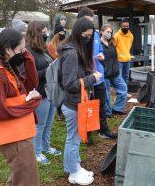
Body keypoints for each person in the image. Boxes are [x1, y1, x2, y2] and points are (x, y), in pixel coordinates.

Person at [0, 28, 41, 185]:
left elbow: (31, 85)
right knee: (26, 178)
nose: (23, 52)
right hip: (12, 134)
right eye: (20, 49)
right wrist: (28, 105)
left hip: (17, 129)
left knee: (21, 175)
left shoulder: (8, 65)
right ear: (7, 49)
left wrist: (28, 59)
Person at [58, 17, 101, 185]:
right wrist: (92, 78)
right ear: (78, 32)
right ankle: (72, 172)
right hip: (72, 104)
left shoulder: (75, 50)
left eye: (91, 35)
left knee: (76, 138)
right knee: (73, 139)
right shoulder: (70, 53)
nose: (89, 38)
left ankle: (76, 166)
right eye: (86, 35)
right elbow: (70, 84)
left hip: (77, 103)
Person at [77, 6, 117, 141]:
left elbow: (100, 49)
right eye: (88, 20)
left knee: (101, 103)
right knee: (87, 104)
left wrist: (101, 54)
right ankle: (87, 132)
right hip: (87, 77)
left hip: (99, 75)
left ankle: (103, 130)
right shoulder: (78, 38)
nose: (90, 24)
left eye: (92, 21)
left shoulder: (94, 35)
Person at [26, 21, 61, 165]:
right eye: (44, 32)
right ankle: (36, 152)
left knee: (49, 123)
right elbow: (29, 76)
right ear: (36, 33)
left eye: (47, 31)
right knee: (39, 125)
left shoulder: (43, 49)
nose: (46, 35)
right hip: (40, 93)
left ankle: (46, 146)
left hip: (51, 91)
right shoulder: (28, 52)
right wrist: (49, 69)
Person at [100, 24, 128, 118]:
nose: (109, 34)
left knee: (123, 89)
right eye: (107, 32)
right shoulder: (99, 45)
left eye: (111, 32)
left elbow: (115, 57)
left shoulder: (112, 43)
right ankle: (108, 112)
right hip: (105, 74)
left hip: (115, 73)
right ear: (102, 32)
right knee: (106, 95)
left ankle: (117, 109)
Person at [113, 18, 134, 97]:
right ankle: (119, 92)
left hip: (127, 59)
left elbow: (129, 46)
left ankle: (125, 92)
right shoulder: (116, 36)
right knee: (119, 77)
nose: (125, 27)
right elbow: (113, 47)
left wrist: (127, 54)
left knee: (126, 76)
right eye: (124, 26)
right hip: (119, 60)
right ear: (121, 26)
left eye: (127, 26)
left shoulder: (131, 35)